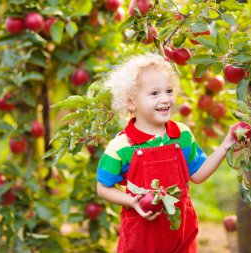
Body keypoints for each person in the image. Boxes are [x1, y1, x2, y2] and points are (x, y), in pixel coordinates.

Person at [96, 53, 236, 253]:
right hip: (142, 237)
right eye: (154, 93)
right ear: (130, 102)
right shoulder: (121, 145)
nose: (165, 99)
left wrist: (225, 145)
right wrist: (131, 201)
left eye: (169, 91)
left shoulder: (182, 135)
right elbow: (103, 187)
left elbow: (197, 174)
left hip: (180, 232)